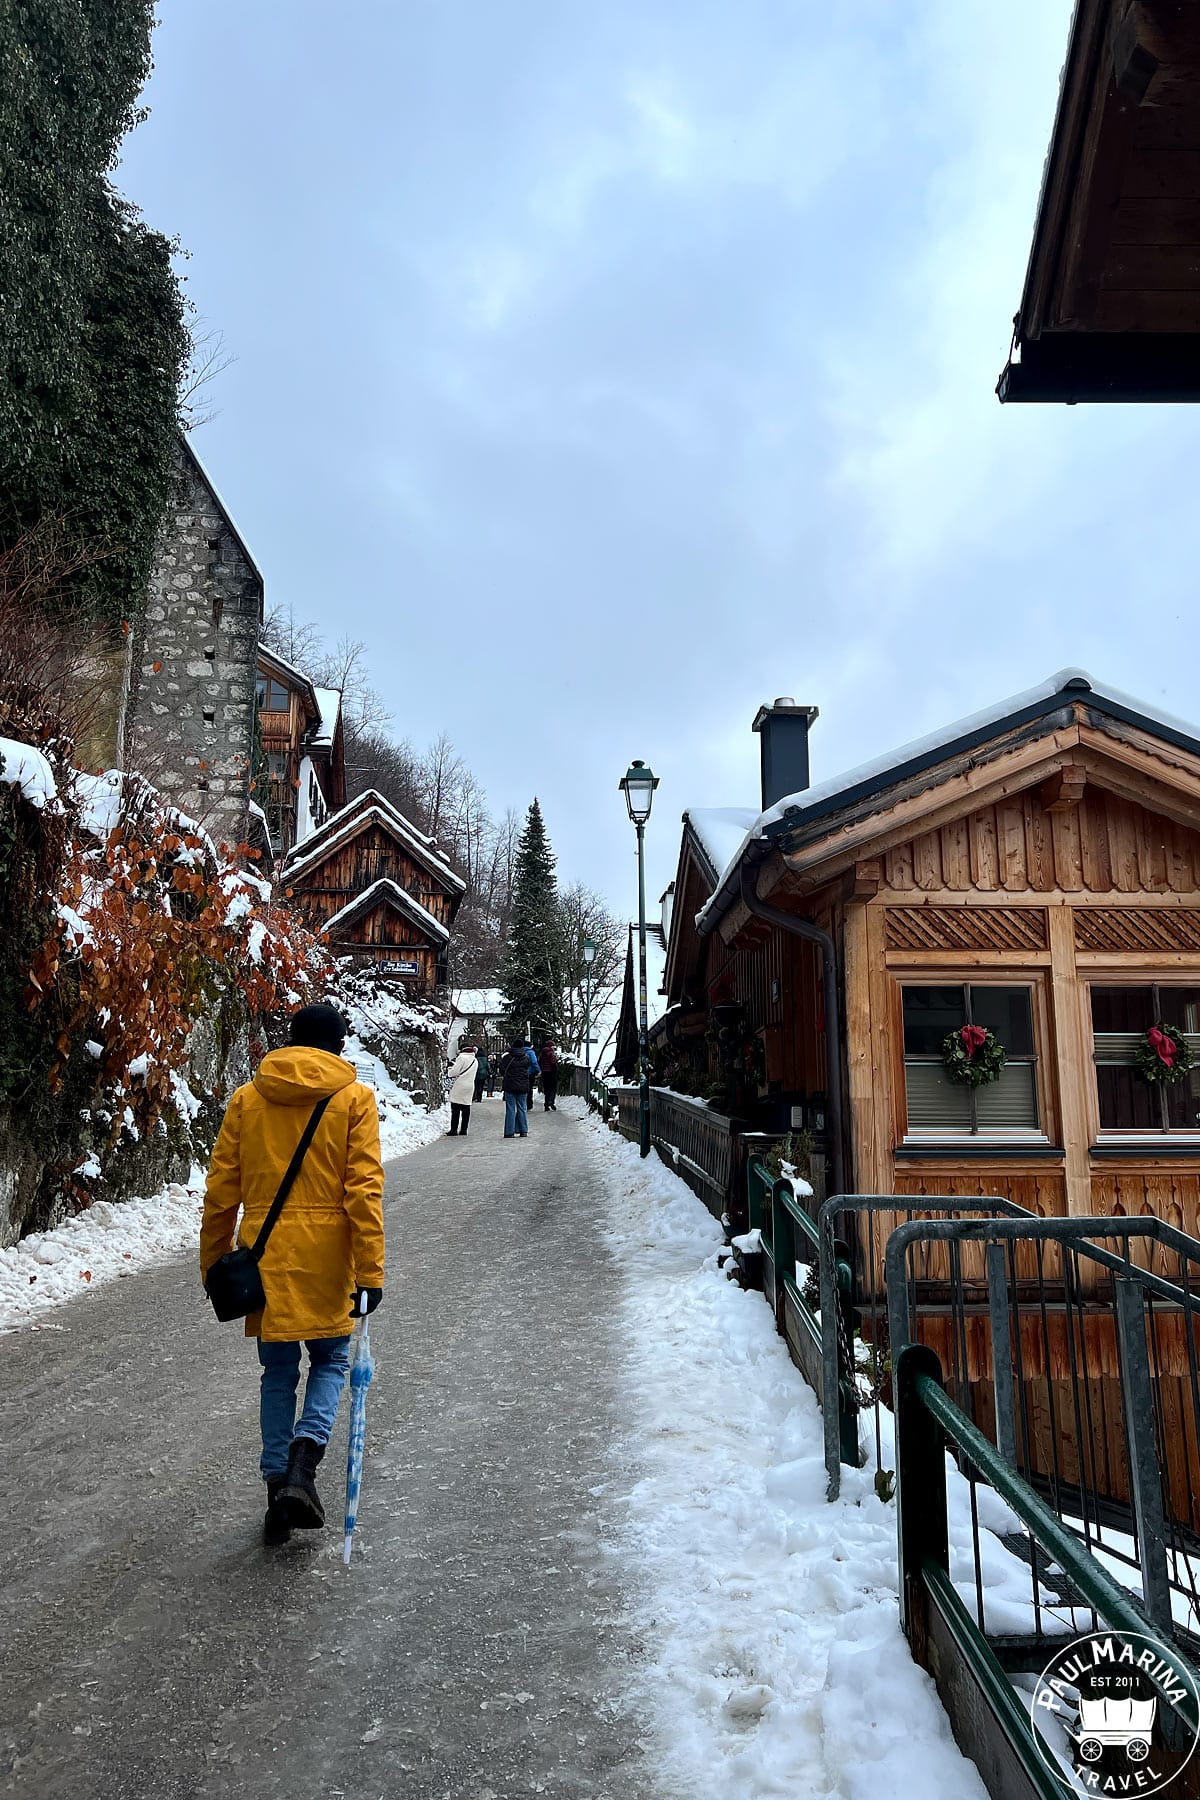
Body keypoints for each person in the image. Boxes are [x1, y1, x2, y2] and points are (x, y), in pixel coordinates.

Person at [200, 1002, 385, 1547]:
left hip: (264, 1258)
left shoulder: (249, 1099)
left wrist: (213, 1262)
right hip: (328, 1260)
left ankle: (277, 1486)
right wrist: (370, 1269)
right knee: (330, 1360)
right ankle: (304, 1468)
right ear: (338, 1046)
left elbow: (221, 1190)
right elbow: (364, 1192)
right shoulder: (353, 1099)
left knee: (277, 1372)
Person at [498, 1035, 534, 1138]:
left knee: (510, 1108)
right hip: (523, 1085)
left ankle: (509, 1132)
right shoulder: (526, 1057)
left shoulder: (507, 1057)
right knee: (522, 1108)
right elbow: (529, 1068)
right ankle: (523, 1130)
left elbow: (501, 1070)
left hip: (510, 1085)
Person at [446, 1040, 479, 1136]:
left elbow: (453, 1072)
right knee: (466, 1107)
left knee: (455, 1108)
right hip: (470, 1085)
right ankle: (464, 1129)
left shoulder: (461, 1058)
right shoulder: (475, 1060)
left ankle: (454, 1129)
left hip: (459, 1085)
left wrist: (449, 1070)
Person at [538, 1037, 560, 1111]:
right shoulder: (551, 1053)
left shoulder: (542, 1053)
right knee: (553, 1088)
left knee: (546, 1088)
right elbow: (553, 1063)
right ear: (551, 1046)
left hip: (544, 1073)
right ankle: (551, 1101)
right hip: (551, 1073)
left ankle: (546, 1104)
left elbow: (539, 1062)